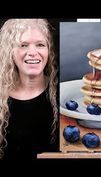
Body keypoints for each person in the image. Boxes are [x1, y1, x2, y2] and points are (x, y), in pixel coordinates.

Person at [0, 19, 59, 159]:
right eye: (23, 45)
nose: (32, 52)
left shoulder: (62, 95)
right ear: (10, 52)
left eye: (40, 45)